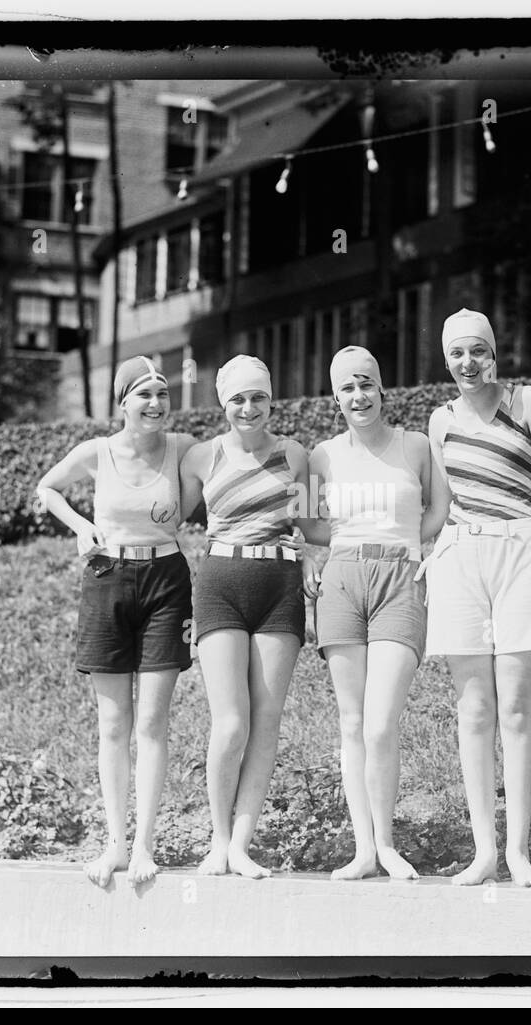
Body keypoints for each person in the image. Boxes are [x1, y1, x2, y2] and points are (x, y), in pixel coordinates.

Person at [424, 309, 531, 887]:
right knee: (474, 709)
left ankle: (518, 851)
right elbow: (440, 508)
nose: (470, 362)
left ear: (496, 352)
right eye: (458, 353)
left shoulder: (528, 402)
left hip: (522, 551)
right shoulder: (438, 421)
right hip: (461, 558)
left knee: (516, 708)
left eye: (479, 350)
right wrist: (407, 550)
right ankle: (483, 851)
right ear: (446, 359)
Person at [36, 356, 197, 889]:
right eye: (143, 394)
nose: (154, 404)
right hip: (106, 578)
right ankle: (115, 843)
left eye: (161, 393)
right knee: (113, 724)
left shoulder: (183, 449)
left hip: (166, 581)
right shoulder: (96, 452)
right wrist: (83, 528)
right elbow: (48, 489)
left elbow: (208, 493)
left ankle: (146, 843)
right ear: (122, 401)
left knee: (151, 724)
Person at [301, 346, 449, 881]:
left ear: (382, 389)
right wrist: (308, 561)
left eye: (365, 384)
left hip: (400, 581)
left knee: (382, 724)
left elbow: (440, 509)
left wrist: (414, 546)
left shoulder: (416, 446)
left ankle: (386, 843)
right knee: (353, 722)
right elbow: (304, 522)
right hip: (342, 582)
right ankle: (365, 850)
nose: (357, 396)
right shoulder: (321, 456)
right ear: (335, 397)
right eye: (346, 388)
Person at [179, 355, 309, 879]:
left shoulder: (295, 454)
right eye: (237, 398)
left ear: (271, 398)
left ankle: (241, 844)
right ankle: (218, 839)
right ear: (222, 403)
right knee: (231, 721)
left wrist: (322, 551)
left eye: (257, 397)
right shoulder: (201, 457)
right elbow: (166, 517)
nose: (248, 407)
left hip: (280, 587)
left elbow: (309, 520)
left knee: (266, 719)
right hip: (220, 584)